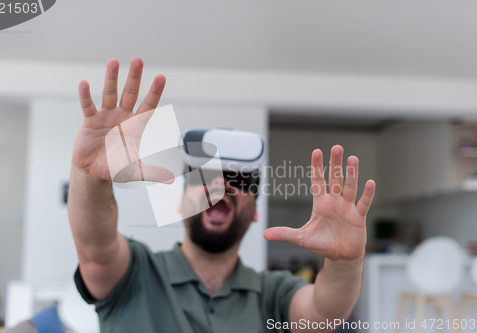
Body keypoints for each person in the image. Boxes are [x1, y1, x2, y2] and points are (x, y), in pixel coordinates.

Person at [68, 57, 376, 333]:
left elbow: (322, 315)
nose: (222, 187)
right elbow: (95, 249)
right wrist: (90, 176)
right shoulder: (136, 274)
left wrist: (346, 261)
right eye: (206, 176)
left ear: (255, 211)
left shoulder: (272, 295)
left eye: (241, 180)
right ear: (181, 201)